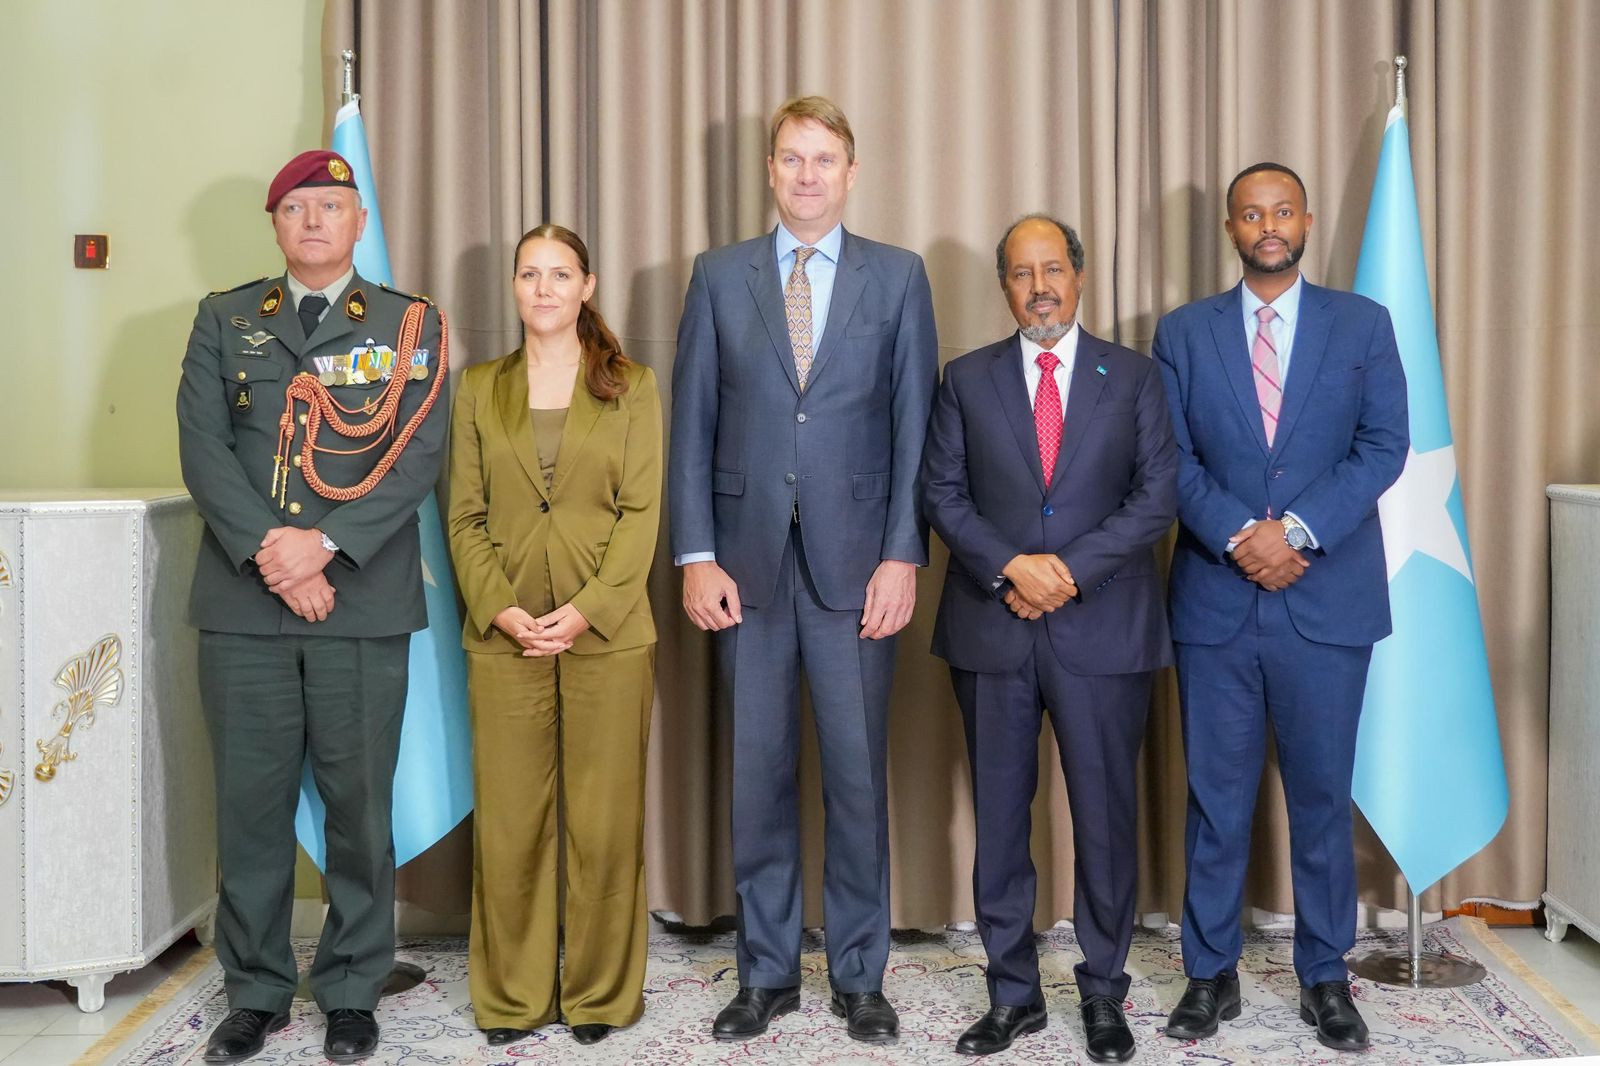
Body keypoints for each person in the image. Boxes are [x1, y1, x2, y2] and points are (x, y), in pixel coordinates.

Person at [667, 95, 938, 1044]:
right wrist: (695, 554)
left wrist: (904, 553)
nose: (809, 174)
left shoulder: (899, 278)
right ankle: (767, 974)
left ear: (852, 172)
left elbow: (916, 431)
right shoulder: (718, 275)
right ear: (771, 171)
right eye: (793, 159)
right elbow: (691, 422)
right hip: (744, 572)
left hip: (858, 569)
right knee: (759, 778)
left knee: (858, 780)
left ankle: (860, 976)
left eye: (826, 159)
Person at [176, 149, 449, 1065]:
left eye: (332, 206)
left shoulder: (412, 327)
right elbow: (204, 450)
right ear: (276, 224)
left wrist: (323, 545)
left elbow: (416, 456)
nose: (315, 222)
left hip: (361, 605)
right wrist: (275, 553)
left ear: (360, 220)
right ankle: (254, 991)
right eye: (297, 209)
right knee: (249, 813)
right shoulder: (224, 320)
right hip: (246, 605)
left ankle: (350, 990)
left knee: (358, 809)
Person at [1153, 162, 1408, 1052]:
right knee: (1217, 800)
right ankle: (1208, 975)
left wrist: (1295, 531)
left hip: (1325, 599)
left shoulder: (1363, 325)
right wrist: (1240, 536)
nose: (1268, 225)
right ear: (1231, 228)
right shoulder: (1183, 334)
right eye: (1251, 214)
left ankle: (1325, 977)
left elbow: (1385, 446)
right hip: (1217, 602)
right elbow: (1170, 459)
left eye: (1283, 211)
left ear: (1306, 220)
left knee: (1321, 798)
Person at [922, 216, 1178, 1061]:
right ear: (1004, 286)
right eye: (1023, 272)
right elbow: (944, 495)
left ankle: (1104, 992)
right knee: (1001, 821)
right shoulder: (965, 379)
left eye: (1054, 268)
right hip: (993, 630)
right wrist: (1013, 570)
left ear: (1080, 274)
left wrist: (1061, 571)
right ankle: (1013, 995)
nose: (1041, 285)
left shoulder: (1135, 378)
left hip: (1102, 626)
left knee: (1104, 819)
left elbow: (1154, 498)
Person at [446, 224, 662, 1049]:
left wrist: (587, 608)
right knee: (510, 823)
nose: (543, 288)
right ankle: (512, 998)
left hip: (607, 635)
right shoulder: (478, 390)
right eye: (529, 274)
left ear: (587, 285)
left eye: (559, 274)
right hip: (503, 637)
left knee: (604, 823)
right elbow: (462, 514)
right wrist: (500, 607)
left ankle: (602, 996)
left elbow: (642, 512)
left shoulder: (632, 386)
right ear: (513, 287)